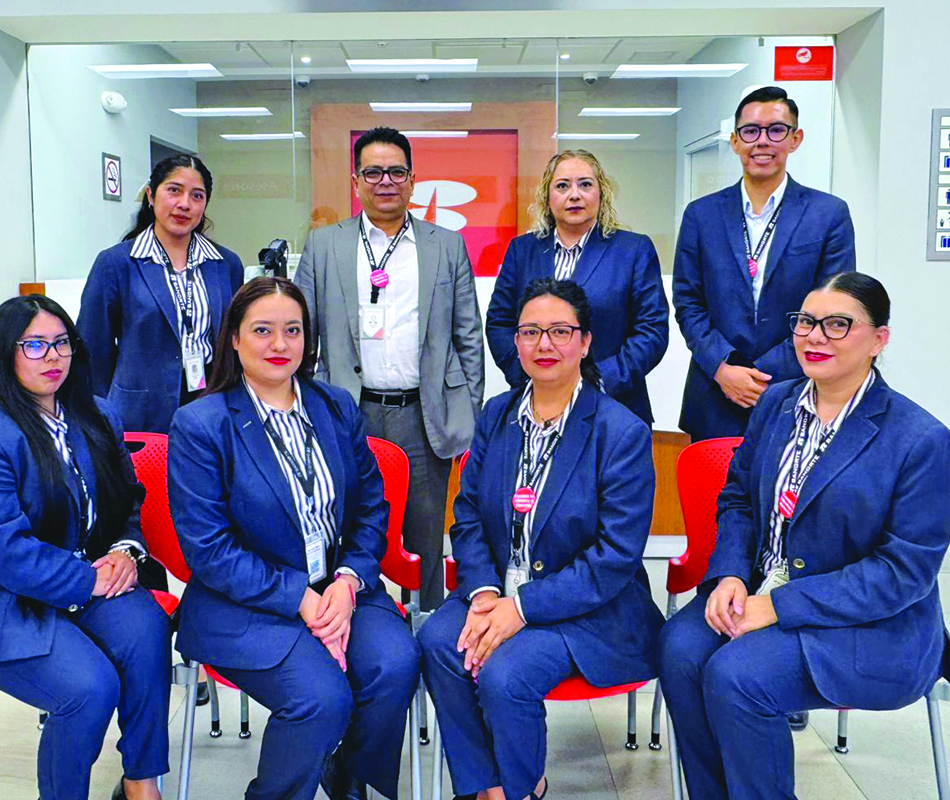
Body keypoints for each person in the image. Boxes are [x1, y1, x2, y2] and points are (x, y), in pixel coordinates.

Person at [658, 272, 950, 800]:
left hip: (867, 624)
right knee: (680, 649)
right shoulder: (777, 404)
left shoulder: (921, 440)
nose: (815, 337)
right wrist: (730, 575)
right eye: (805, 322)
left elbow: (902, 573)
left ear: (879, 339)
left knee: (738, 675)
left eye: (837, 324)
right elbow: (737, 499)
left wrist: (778, 607)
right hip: (760, 589)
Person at [167, 277, 420, 800]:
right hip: (245, 602)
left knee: (394, 665)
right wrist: (300, 598)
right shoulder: (201, 424)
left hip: (340, 588)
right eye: (262, 330)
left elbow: (371, 507)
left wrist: (347, 582)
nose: (280, 344)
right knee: (319, 699)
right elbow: (209, 549)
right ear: (234, 338)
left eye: (293, 330)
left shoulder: (335, 407)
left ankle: (346, 777)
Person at [419, 279, 666, 800]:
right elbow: (467, 515)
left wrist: (522, 607)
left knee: (506, 673)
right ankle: (488, 787)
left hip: (588, 609)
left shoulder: (620, 431)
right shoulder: (497, 415)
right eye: (530, 332)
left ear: (585, 341)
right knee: (439, 642)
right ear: (516, 342)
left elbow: (614, 557)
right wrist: (484, 593)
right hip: (497, 592)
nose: (544, 344)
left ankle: (523, 788)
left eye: (560, 331)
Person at [0, 294, 170, 800]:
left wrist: (126, 551)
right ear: (5, 353)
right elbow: (6, 552)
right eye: (34, 345)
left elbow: (127, 502)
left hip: (85, 585)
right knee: (90, 688)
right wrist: (90, 579)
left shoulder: (96, 416)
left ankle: (141, 785)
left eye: (62, 343)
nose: (53, 356)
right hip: (2, 603)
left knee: (147, 630)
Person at [295, 126, 485, 611]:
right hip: (345, 412)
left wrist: (468, 411)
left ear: (412, 180)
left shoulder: (446, 245)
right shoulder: (324, 245)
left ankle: (428, 626)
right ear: (356, 181)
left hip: (423, 415)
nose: (386, 181)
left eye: (397, 172)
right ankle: (347, 620)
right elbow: (302, 333)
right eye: (374, 172)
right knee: (343, 527)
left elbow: (468, 335)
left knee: (424, 535)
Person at [673, 85, 855, 442]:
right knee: (713, 481)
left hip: (796, 389)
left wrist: (765, 373)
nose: (762, 141)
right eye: (751, 131)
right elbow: (688, 302)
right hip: (715, 393)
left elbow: (834, 306)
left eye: (776, 130)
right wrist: (723, 367)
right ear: (735, 141)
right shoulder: (701, 215)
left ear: (795, 139)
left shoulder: (828, 214)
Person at [486, 150, 669, 424]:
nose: (574, 195)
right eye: (562, 186)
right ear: (547, 197)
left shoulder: (633, 250)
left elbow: (652, 331)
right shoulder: (522, 250)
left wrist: (593, 382)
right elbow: (500, 323)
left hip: (614, 405)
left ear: (601, 193)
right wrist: (532, 378)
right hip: (537, 404)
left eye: (585, 184)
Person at [78, 153, 246, 435]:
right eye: (174, 190)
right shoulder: (117, 263)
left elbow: (235, 340)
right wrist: (97, 418)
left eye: (197, 196)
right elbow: (93, 348)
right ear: (151, 196)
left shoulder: (226, 264)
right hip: (140, 411)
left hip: (212, 402)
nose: (185, 204)